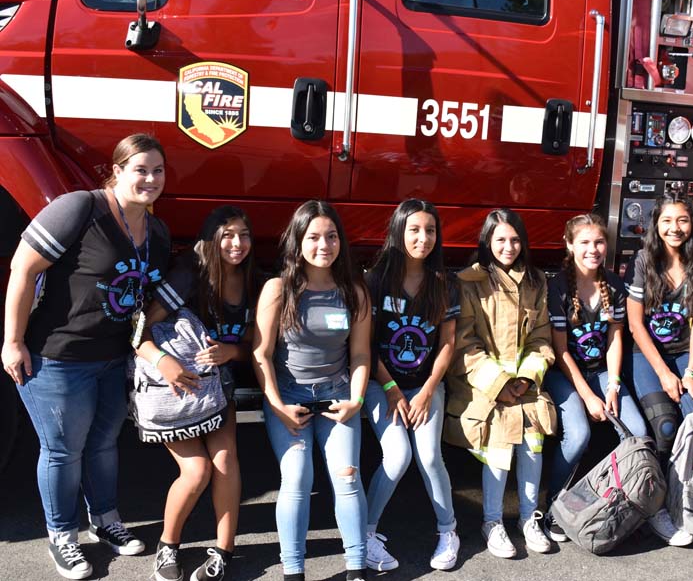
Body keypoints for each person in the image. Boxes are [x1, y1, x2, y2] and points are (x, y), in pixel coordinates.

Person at [1, 134, 171, 580]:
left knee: (102, 445)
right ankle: (62, 536)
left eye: (157, 171)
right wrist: (13, 341)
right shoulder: (81, 208)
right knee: (62, 451)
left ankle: (106, 522)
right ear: (115, 172)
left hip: (113, 359)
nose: (150, 179)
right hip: (58, 358)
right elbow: (23, 269)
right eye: (140, 169)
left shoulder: (156, 231)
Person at [137, 205, 260, 581]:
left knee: (226, 461)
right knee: (196, 471)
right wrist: (164, 362)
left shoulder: (256, 281)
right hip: (176, 390)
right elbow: (138, 330)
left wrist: (232, 352)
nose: (236, 243)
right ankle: (167, 545)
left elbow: (255, 345)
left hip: (218, 389)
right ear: (211, 240)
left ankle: (224, 551)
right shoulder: (189, 278)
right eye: (227, 235)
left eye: (243, 234)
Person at [252, 200, 370, 581]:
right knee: (297, 480)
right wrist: (277, 405)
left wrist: (356, 400)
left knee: (348, 477)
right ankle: (293, 571)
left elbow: (361, 353)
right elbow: (262, 354)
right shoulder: (278, 289)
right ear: (298, 240)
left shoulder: (354, 292)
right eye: (314, 237)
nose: (324, 245)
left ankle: (356, 567)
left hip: (338, 396)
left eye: (332, 236)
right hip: (290, 400)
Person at [444, 208, 556, 559]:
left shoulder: (536, 281)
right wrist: (499, 382)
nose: (508, 247)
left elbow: (541, 337)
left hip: (525, 383)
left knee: (532, 443)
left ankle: (527, 518)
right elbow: (465, 344)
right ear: (486, 242)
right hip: (482, 383)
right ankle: (492, 522)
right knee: (499, 445)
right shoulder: (469, 282)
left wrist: (525, 377)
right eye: (500, 240)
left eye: (515, 240)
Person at [362, 199, 460, 572]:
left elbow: (447, 343)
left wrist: (428, 389)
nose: (423, 238)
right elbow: (366, 344)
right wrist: (390, 389)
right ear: (398, 232)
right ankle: (365, 534)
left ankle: (448, 530)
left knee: (430, 457)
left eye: (430, 230)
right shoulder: (375, 280)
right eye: (414, 229)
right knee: (398, 456)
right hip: (381, 384)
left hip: (425, 387)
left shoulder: (444, 284)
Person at [542, 213, 648, 542]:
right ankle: (552, 506)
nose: (593, 249)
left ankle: (618, 504)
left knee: (637, 433)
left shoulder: (613, 285)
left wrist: (613, 384)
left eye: (599, 242)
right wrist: (588, 396)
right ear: (570, 245)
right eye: (585, 242)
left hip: (602, 370)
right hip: (565, 374)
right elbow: (561, 352)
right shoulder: (558, 287)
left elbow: (616, 337)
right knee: (578, 435)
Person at [624, 194, 693, 547]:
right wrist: (664, 373)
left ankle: (690, 501)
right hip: (647, 355)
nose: (674, 227)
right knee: (665, 426)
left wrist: (691, 370)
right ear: (656, 224)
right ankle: (656, 510)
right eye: (667, 220)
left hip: (683, 354)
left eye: (682, 220)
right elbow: (635, 325)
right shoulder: (644, 261)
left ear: (692, 224)